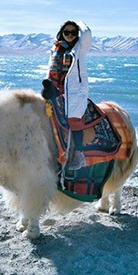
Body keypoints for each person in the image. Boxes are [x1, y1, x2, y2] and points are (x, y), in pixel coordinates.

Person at [42, 20, 92, 170]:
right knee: (46, 116)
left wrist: (78, 23)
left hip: (74, 91)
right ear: (61, 33)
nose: (69, 35)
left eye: (73, 32)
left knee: (74, 120)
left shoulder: (79, 49)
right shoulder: (55, 49)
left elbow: (87, 33)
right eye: (66, 32)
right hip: (55, 87)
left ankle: (78, 154)